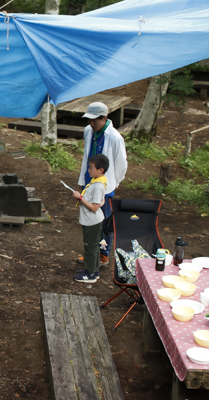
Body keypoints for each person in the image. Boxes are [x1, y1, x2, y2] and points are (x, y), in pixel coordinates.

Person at [78, 102, 127, 267]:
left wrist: (115, 182)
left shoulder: (114, 137)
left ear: (104, 118)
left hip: (105, 187)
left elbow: (121, 164)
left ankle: (103, 254)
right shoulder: (88, 131)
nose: (91, 124)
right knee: (90, 220)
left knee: (104, 223)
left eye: (94, 120)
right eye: (89, 120)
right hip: (89, 183)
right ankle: (91, 252)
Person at [72, 154, 109, 283]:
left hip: (92, 221)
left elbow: (94, 207)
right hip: (92, 220)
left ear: (100, 170)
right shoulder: (98, 181)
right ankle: (93, 270)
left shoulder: (98, 185)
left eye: (91, 168)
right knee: (93, 247)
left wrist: (80, 198)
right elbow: (101, 201)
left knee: (90, 247)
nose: (89, 170)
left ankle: (91, 274)